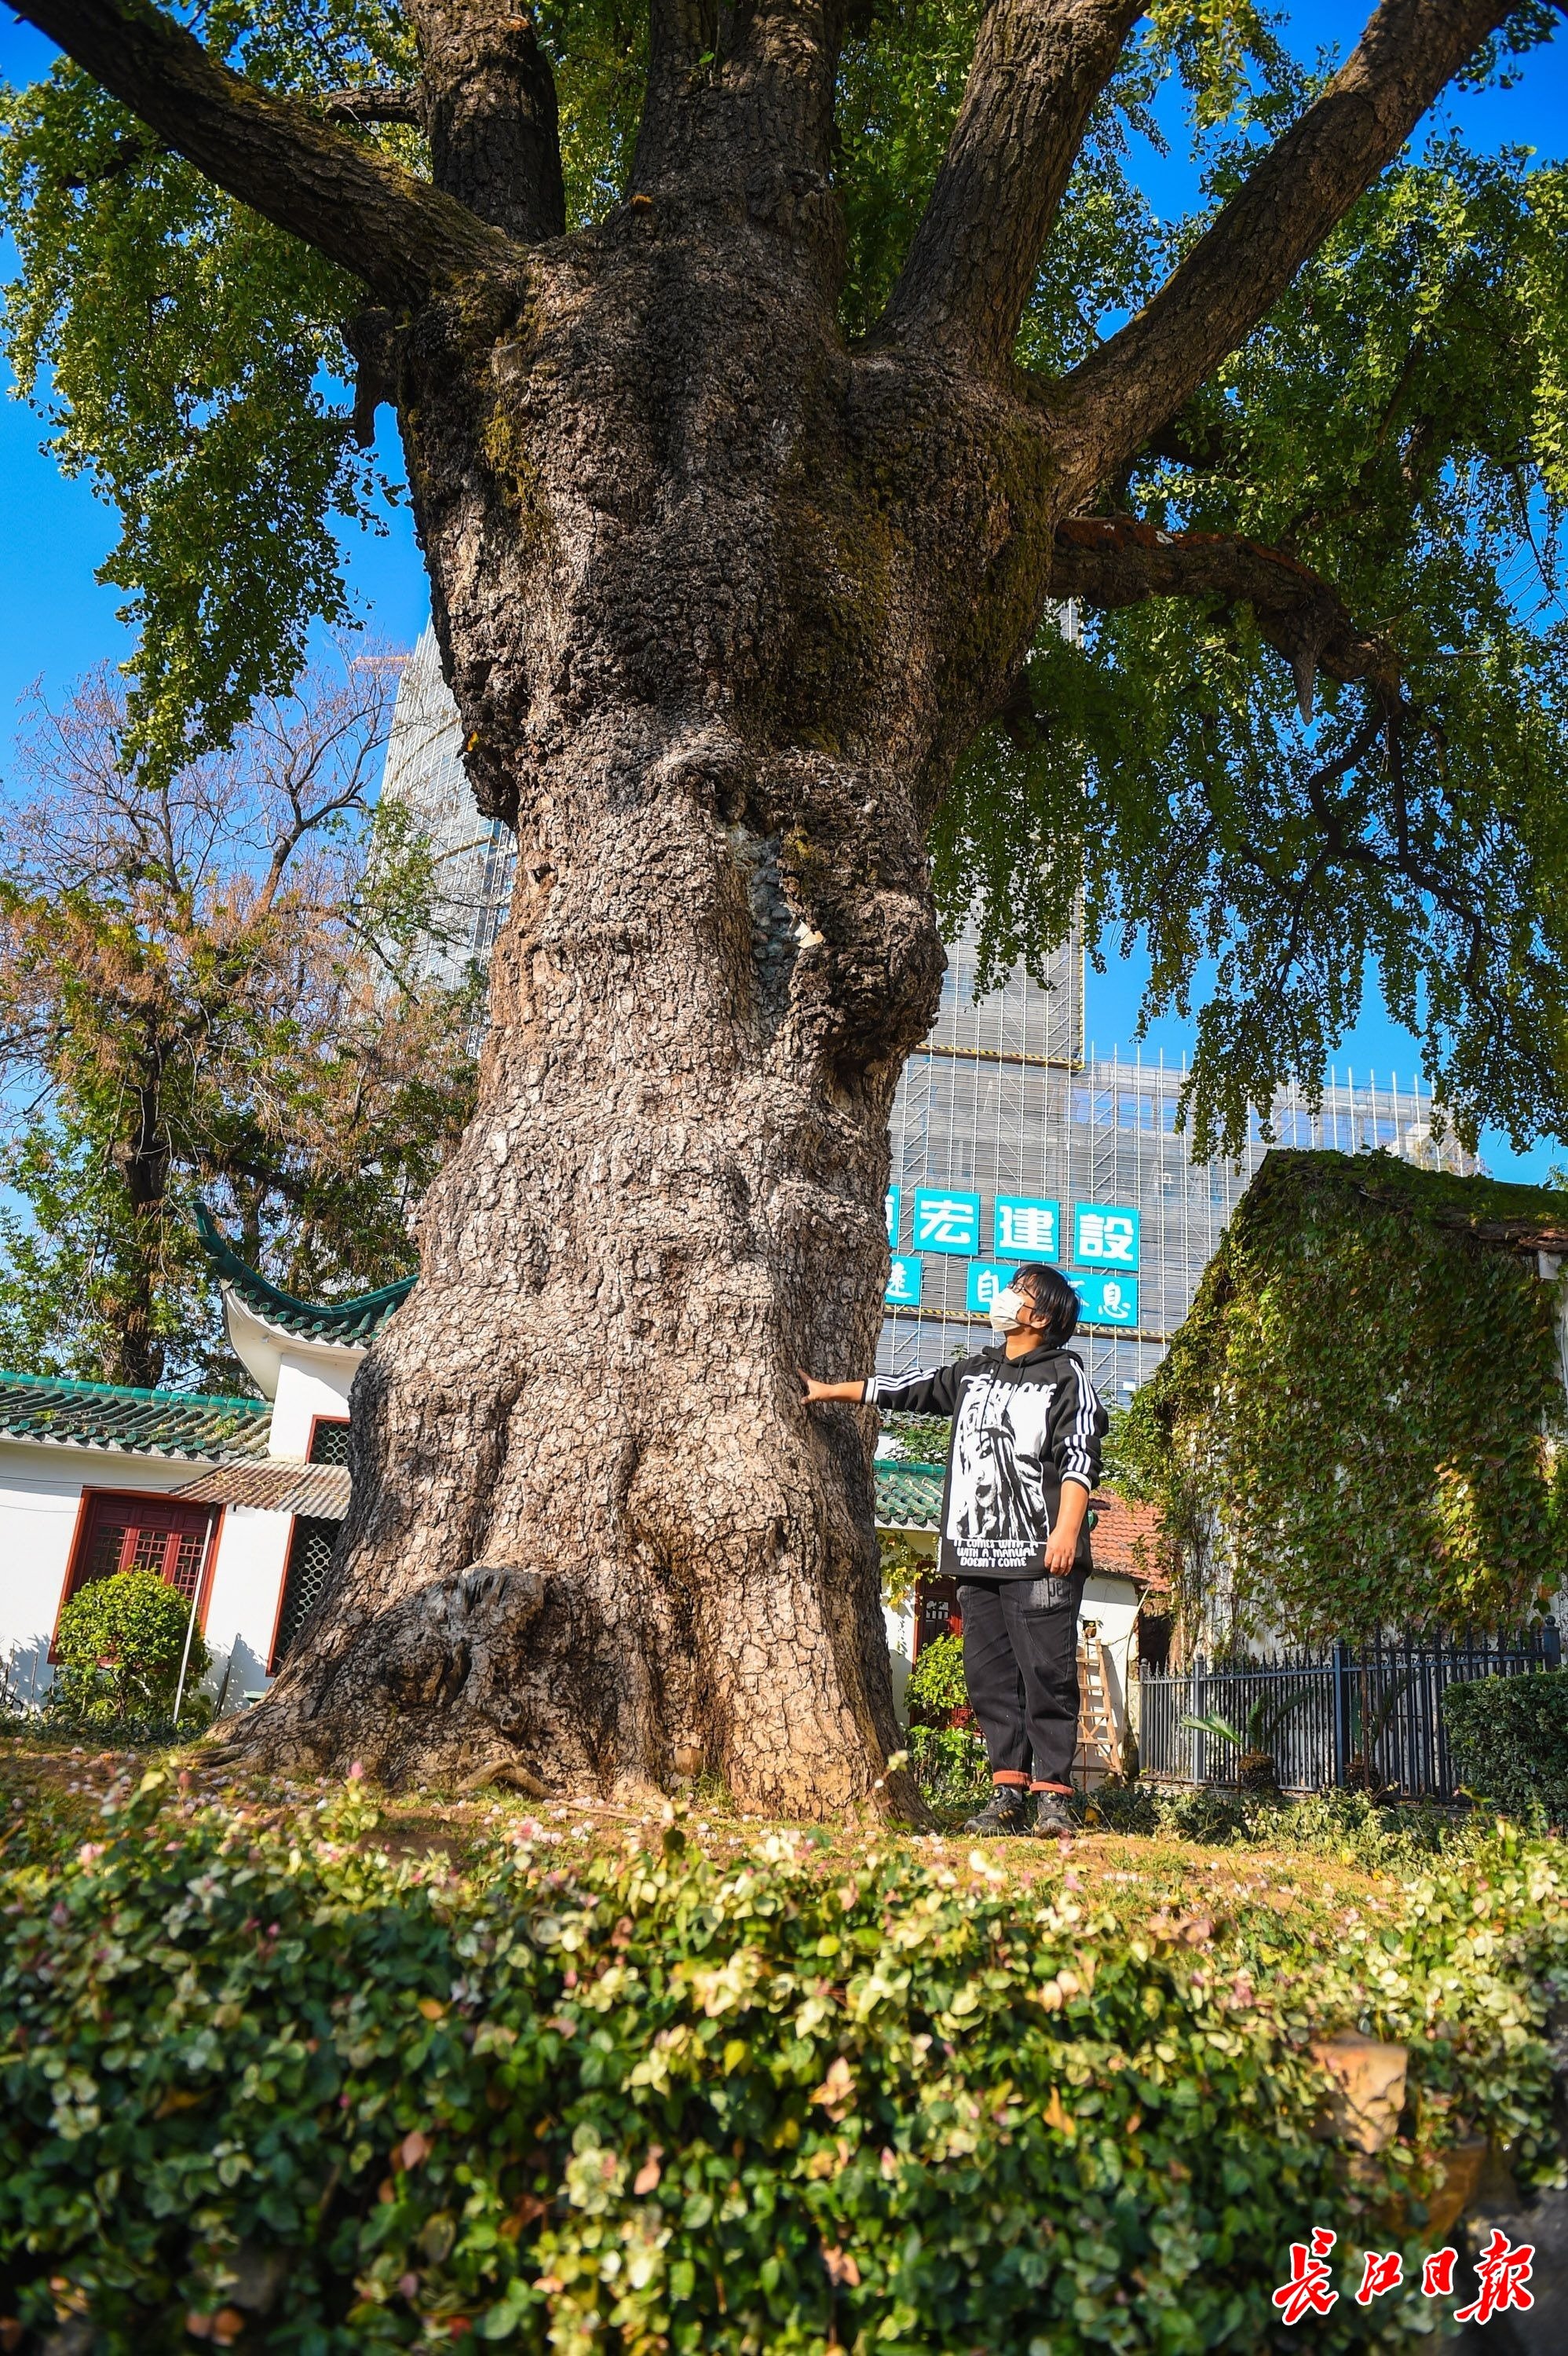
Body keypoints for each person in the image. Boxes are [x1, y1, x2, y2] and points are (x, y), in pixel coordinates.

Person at [802, 1262, 1107, 1838]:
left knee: (1047, 1674)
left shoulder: (1066, 1376)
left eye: (1018, 1292)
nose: (1004, 1297)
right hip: (973, 1553)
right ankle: (1006, 1792)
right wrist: (828, 1392)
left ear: (1039, 1317)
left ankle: (1053, 1798)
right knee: (988, 1678)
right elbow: (904, 1390)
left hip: (1040, 1554)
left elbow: (1079, 1457)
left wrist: (1065, 1532)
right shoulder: (974, 1372)